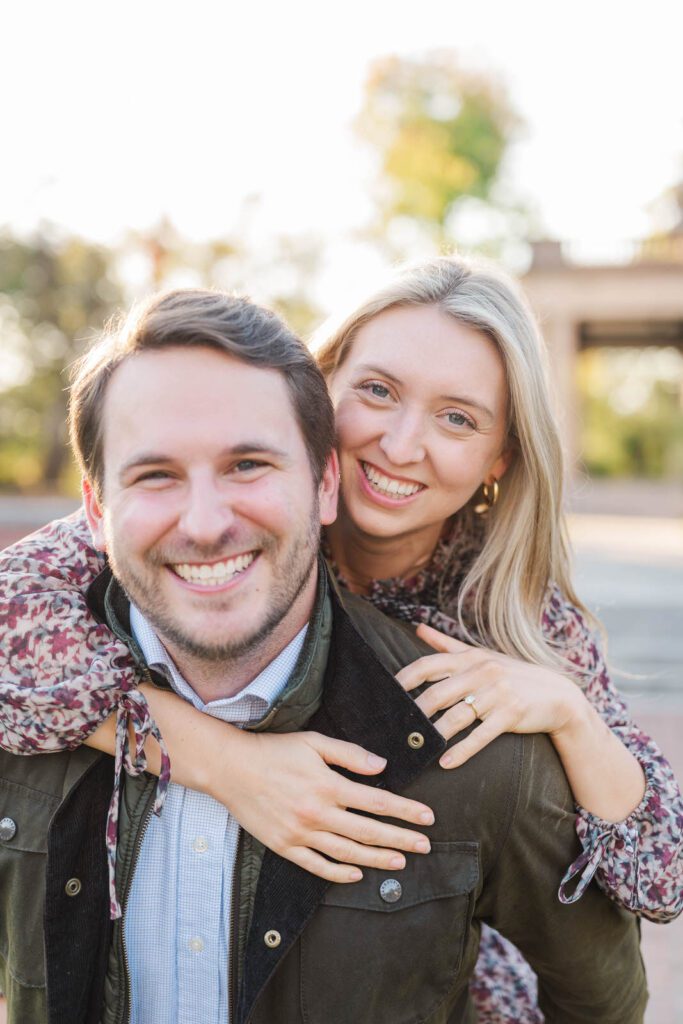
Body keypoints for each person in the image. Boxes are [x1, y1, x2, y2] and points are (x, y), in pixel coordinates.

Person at [0, 287, 649, 1024]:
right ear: (326, 382)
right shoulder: (146, 525)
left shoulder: (509, 622)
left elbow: (647, 891)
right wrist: (221, 762)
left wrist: (569, 711)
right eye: (376, 391)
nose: (402, 445)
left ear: (500, 455)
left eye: (456, 417)